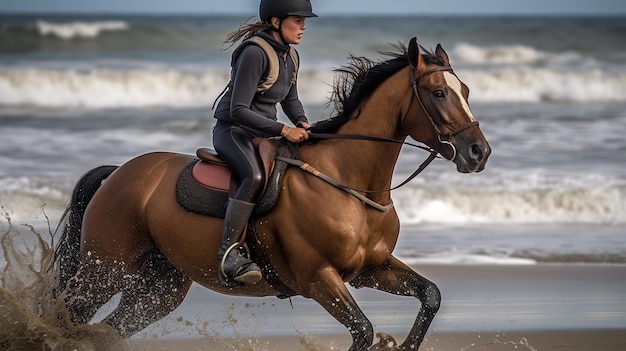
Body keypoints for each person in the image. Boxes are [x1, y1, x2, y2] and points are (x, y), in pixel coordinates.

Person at [212, 0, 317, 286]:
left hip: (263, 133)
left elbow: (290, 99)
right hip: (234, 132)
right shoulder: (255, 53)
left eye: (304, 21)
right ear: (275, 22)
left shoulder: (291, 56)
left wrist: (302, 122)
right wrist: (284, 130)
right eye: (297, 20)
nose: (303, 27)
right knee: (254, 175)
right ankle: (229, 255)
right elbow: (238, 110)